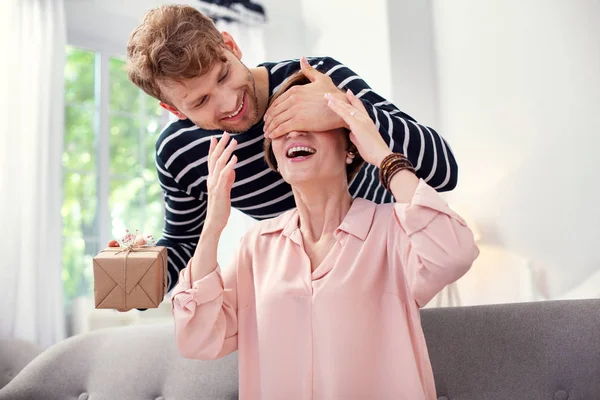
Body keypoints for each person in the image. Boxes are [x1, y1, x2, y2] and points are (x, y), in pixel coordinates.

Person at [171, 72, 479, 399]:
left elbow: (454, 253)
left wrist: (382, 155)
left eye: (312, 121)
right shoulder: (257, 246)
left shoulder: (394, 231)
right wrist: (214, 222)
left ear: (351, 147)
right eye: (282, 124)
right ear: (274, 153)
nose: (296, 131)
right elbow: (197, 339)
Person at [125, 5, 459, 293]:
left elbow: (443, 171)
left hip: (388, 267)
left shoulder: (313, 79)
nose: (229, 102)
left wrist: (345, 110)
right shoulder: (179, 152)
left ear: (230, 45)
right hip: (305, 284)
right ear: (175, 110)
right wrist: (129, 278)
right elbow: (184, 242)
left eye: (224, 75)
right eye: (200, 101)